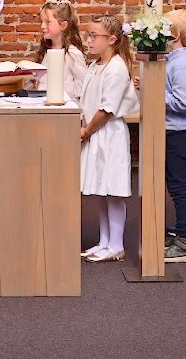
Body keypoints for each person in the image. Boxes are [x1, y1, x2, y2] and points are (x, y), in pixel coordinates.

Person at [79, 16, 140, 263]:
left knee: (113, 190)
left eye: (94, 36)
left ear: (112, 40)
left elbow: (107, 109)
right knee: (100, 189)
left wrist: (85, 131)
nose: (89, 40)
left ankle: (116, 244)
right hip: (95, 132)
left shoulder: (116, 68)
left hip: (109, 133)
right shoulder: (95, 66)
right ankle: (104, 242)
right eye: (88, 34)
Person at [161, 9, 186, 263]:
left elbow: (184, 103)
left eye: (165, 29)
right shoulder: (172, 61)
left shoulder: (182, 65)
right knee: (175, 184)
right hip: (171, 130)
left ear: (175, 35)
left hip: (180, 133)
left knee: (179, 186)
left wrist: (155, 91)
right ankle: (182, 230)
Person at [33, 0, 87, 102]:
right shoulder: (45, 51)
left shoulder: (72, 54)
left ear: (63, 25)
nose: (42, 26)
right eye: (41, 22)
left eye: (48, 22)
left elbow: (82, 85)